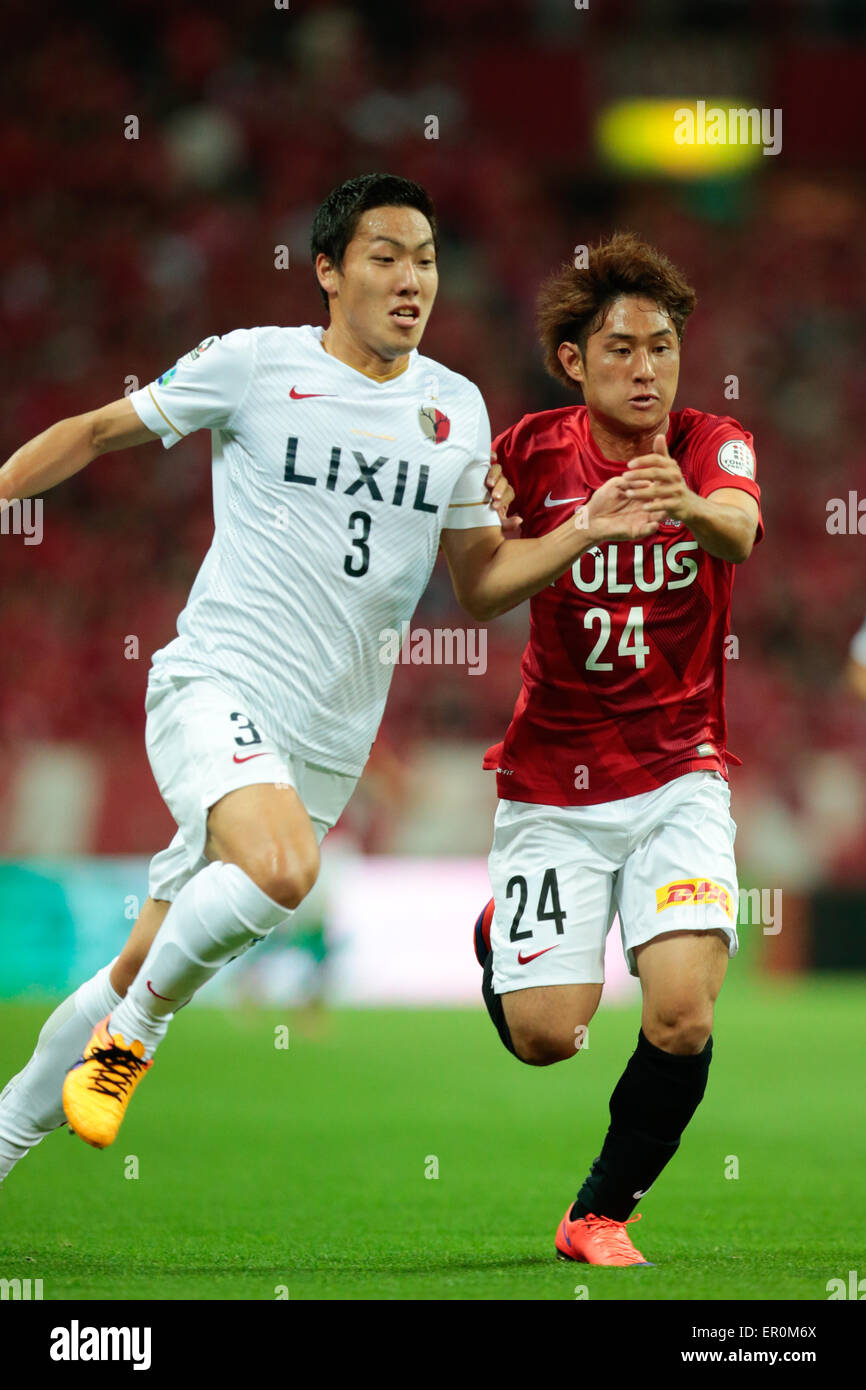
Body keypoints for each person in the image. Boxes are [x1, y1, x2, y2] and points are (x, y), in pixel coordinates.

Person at [0, 176, 656, 1179]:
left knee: (141, 955)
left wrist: (581, 528)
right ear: (327, 271)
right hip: (215, 683)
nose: (410, 280)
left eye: (426, 259)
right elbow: (94, 430)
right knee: (283, 870)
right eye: (385, 256)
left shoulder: (453, 408)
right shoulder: (254, 364)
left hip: (326, 742)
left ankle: (9, 1135)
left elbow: (479, 586)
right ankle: (134, 1040)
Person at [472, 232, 763, 1266]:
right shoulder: (523, 452)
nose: (646, 369)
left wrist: (687, 503)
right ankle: (495, 939)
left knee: (680, 1012)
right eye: (621, 350)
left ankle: (598, 1212)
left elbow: (735, 525)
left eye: (663, 347)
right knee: (547, 1034)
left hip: (681, 770)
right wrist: (519, 526)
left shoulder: (710, 441)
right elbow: (477, 582)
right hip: (552, 783)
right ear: (572, 362)